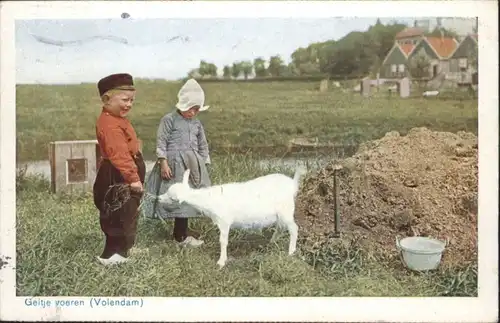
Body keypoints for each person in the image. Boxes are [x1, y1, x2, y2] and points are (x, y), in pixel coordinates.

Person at [142, 78, 211, 247]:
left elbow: (202, 144)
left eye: (196, 110)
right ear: (182, 105)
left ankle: (182, 232)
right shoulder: (169, 120)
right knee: (177, 196)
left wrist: (204, 163)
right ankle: (179, 236)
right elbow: (162, 142)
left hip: (192, 165)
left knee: (190, 197)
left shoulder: (196, 123)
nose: (193, 113)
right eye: (190, 109)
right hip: (174, 165)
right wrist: (163, 162)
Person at [92, 73, 146, 266]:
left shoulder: (118, 119)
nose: (129, 105)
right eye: (125, 100)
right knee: (117, 212)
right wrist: (133, 178)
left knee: (129, 210)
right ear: (107, 99)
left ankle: (125, 248)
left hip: (125, 171)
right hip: (117, 174)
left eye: (132, 100)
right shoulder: (109, 124)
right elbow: (120, 156)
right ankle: (112, 255)